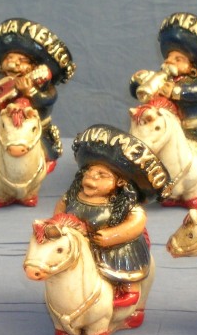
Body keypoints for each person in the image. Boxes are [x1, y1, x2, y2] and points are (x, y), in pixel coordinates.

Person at [54, 124, 167, 307]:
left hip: (111, 246)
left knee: (124, 255)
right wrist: (57, 223)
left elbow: (137, 221)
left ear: (120, 182)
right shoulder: (73, 197)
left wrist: (112, 235)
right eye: (89, 172)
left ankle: (129, 288)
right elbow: (61, 207)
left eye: (102, 175)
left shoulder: (125, 205)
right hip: (77, 244)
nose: (92, 177)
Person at [130, 12, 197, 175]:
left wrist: (175, 91)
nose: (169, 61)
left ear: (193, 68)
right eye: (168, 57)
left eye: (178, 59)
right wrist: (140, 81)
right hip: (177, 120)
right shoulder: (167, 78)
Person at [0, 17, 76, 172]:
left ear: (34, 67)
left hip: (35, 123)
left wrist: (30, 91)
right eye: (9, 58)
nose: (14, 63)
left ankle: (49, 160)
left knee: (49, 144)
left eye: (22, 60)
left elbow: (49, 98)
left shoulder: (40, 83)